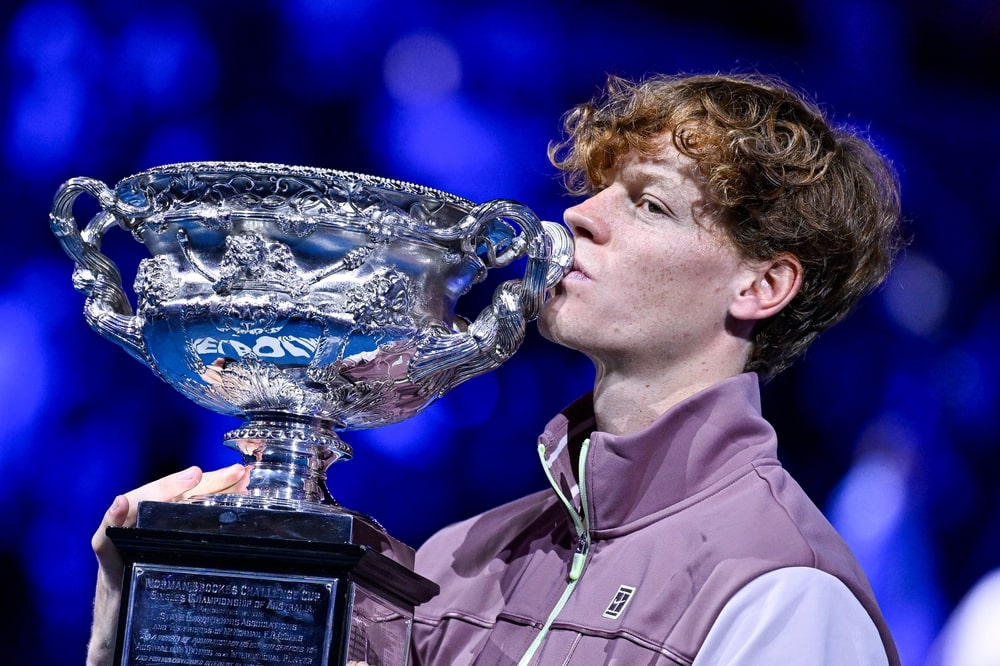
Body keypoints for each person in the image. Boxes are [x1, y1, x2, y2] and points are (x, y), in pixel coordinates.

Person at [87, 72, 902, 665]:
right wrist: (142, 618)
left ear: (762, 285)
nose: (580, 216)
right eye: (594, 189)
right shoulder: (455, 564)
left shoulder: (783, 593)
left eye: (648, 203)